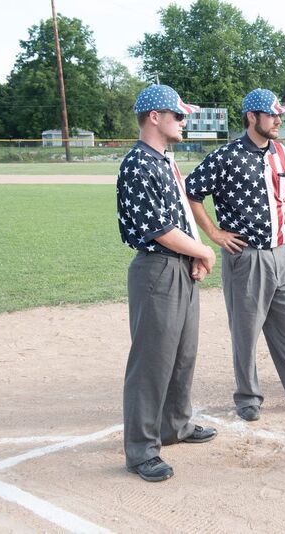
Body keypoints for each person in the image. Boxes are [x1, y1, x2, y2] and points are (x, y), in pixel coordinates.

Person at [186, 88, 285, 421]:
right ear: (251, 117)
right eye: (271, 115)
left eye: (279, 115)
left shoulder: (281, 153)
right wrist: (213, 233)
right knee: (246, 331)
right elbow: (191, 191)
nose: (278, 120)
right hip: (247, 257)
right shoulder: (226, 156)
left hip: (281, 254)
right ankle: (248, 396)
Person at [117, 84, 218, 482]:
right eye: (177, 115)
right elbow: (157, 228)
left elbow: (179, 220)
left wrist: (194, 252)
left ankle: (175, 425)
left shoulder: (163, 160)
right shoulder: (139, 162)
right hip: (157, 268)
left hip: (178, 264)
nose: (183, 120)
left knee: (182, 354)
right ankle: (141, 450)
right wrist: (206, 251)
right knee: (152, 363)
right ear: (154, 117)